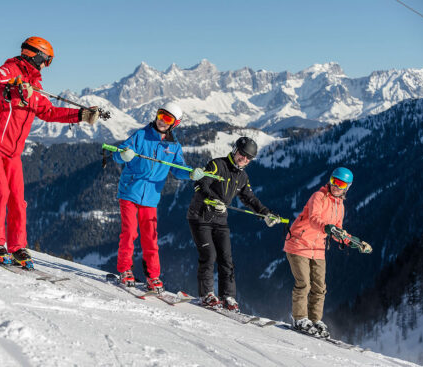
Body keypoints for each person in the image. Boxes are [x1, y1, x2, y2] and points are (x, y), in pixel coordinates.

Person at [0, 37, 99, 266]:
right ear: (36, 56)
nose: (46, 66)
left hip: (12, 150)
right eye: (47, 61)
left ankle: (17, 247)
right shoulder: (8, 70)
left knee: (18, 200)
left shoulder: (36, 85)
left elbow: (48, 112)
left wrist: (81, 116)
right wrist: (10, 90)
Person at [112, 102, 204, 292]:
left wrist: (190, 174)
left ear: (174, 124)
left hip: (151, 197)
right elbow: (118, 155)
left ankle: (153, 276)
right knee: (129, 232)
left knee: (150, 237)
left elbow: (179, 170)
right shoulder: (141, 135)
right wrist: (124, 155)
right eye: (161, 115)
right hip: (130, 191)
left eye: (167, 118)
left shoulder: (173, 147)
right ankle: (125, 270)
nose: (162, 120)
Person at [186, 137, 280, 312]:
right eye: (242, 154)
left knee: (226, 259)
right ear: (235, 150)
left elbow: (249, 198)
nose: (244, 159)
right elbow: (200, 184)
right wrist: (212, 199)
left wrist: (265, 214)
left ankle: (227, 296)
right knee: (209, 255)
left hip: (220, 220)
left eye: (248, 158)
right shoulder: (217, 165)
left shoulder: (242, 176)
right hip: (200, 217)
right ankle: (207, 294)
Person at [283, 167, 371, 337]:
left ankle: (315, 320)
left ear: (347, 187)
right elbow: (314, 218)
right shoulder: (318, 196)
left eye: (340, 183)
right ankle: (299, 318)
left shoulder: (340, 205)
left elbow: (338, 231)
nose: (336, 186)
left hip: (318, 249)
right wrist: (327, 227)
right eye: (333, 181)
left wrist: (355, 242)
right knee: (304, 284)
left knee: (320, 287)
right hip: (298, 244)